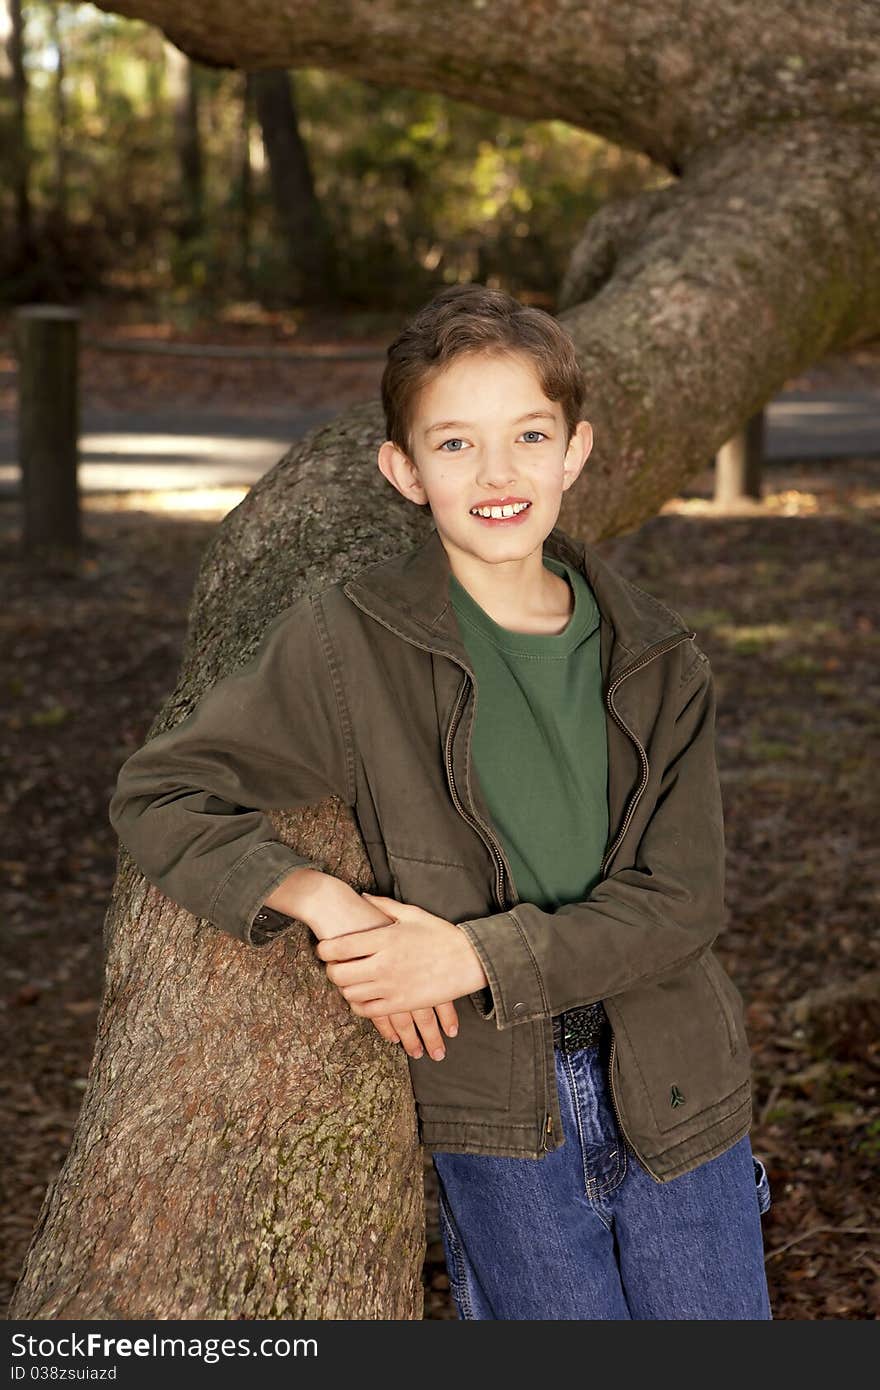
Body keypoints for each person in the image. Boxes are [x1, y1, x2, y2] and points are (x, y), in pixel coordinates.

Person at [109, 283, 773, 1320]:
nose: (498, 473)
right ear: (403, 471)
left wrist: (466, 956)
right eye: (455, 444)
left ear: (575, 450)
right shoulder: (349, 642)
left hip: (681, 1088)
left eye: (528, 435)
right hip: (500, 1115)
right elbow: (163, 791)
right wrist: (325, 903)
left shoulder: (657, 655)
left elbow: (681, 904)